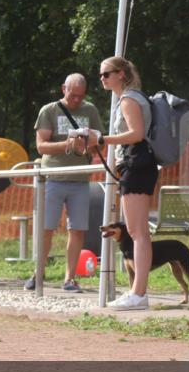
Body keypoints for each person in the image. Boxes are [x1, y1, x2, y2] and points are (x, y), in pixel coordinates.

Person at [25, 73, 104, 292]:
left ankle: (69, 278)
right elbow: (41, 146)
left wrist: (87, 146)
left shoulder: (91, 111)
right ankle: (38, 272)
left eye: (81, 96)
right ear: (63, 89)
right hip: (53, 177)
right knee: (46, 228)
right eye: (73, 95)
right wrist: (66, 144)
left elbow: (100, 143)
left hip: (80, 179)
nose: (77, 100)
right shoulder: (49, 110)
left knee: (78, 229)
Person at [98, 57, 157, 310]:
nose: (102, 78)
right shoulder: (132, 97)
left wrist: (101, 139)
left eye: (106, 74)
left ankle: (139, 294)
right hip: (138, 165)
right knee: (138, 232)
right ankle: (137, 292)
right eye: (101, 75)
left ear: (121, 74)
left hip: (136, 164)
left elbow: (136, 134)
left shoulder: (129, 99)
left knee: (138, 233)